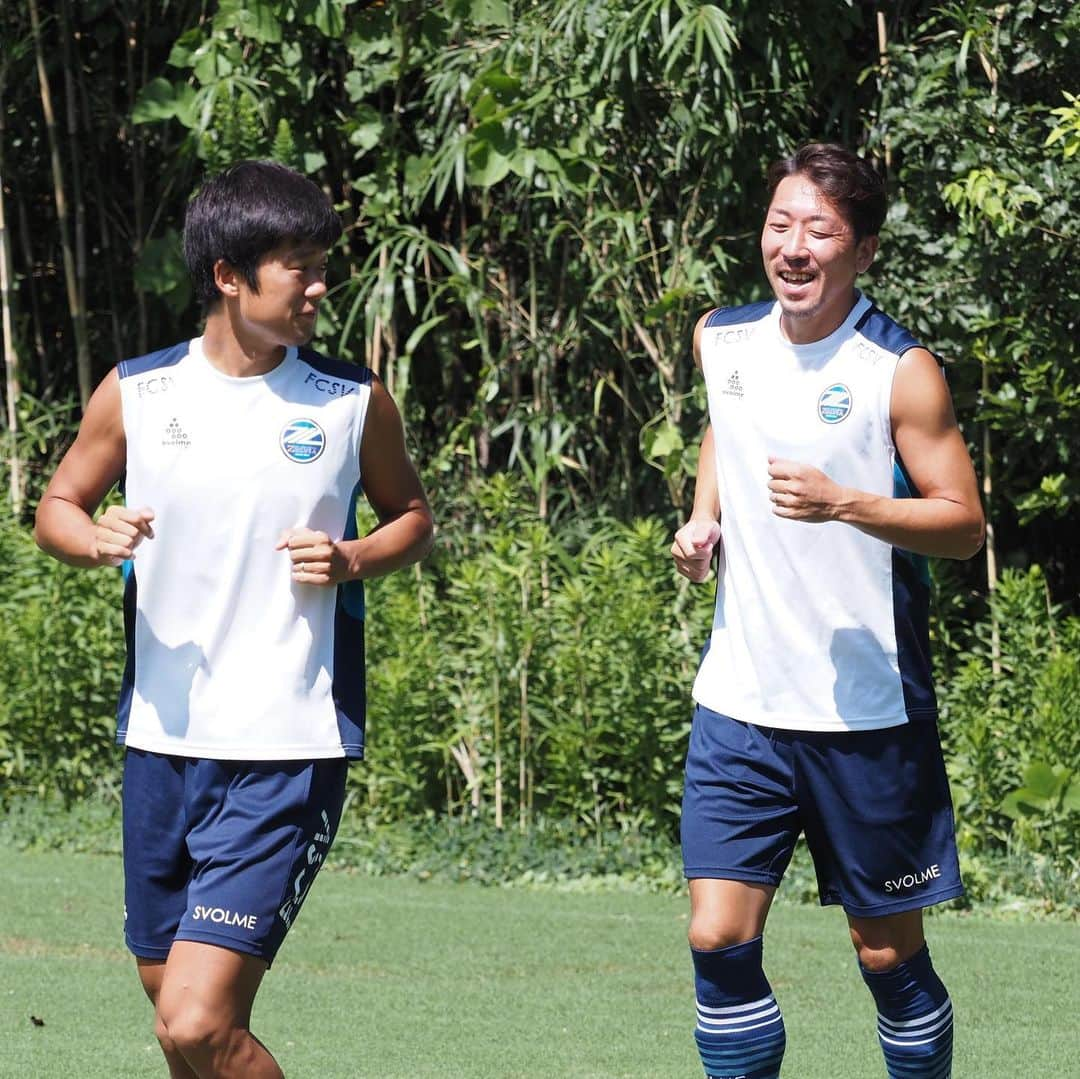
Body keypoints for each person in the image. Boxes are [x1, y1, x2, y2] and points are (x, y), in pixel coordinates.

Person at [34, 160, 434, 1078]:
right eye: (300, 265)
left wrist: (353, 557)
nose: (320, 285)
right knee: (174, 1005)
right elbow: (59, 503)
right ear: (229, 276)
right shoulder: (139, 391)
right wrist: (92, 538)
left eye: (321, 263)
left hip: (286, 747)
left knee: (195, 1022)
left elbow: (411, 515)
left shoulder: (349, 401)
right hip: (162, 744)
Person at [671, 142, 984, 1079]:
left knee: (886, 956)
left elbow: (963, 525)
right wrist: (703, 517)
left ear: (864, 250)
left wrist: (847, 500)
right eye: (779, 224)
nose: (793, 247)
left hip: (864, 713)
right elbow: (729, 425)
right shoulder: (720, 339)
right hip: (740, 706)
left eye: (819, 230)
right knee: (717, 938)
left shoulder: (901, 369)